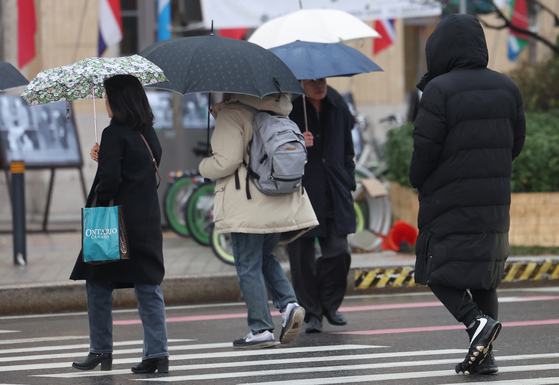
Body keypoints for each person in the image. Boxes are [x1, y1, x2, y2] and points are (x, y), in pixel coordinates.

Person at [408, 14, 526, 375]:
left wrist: (418, 180)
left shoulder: (440, 90)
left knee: (434, 267)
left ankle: (475, 323)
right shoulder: (507, 87)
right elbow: (516, 142)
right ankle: (485, 356)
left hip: (449, 198)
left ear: (439, 49)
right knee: (484, 275)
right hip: (493, 200)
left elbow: (424, 150)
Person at [198, 92, 318, 349]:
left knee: (247, 263)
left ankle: (260, 328)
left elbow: (226, 161)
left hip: (247, 202)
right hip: (278, 198)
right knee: (265, 257)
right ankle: (289, 304)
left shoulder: (232, 114)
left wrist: (204, 166)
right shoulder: (279, 110)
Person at [70, 75, 169, 374]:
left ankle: (100, 350)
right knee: (148, 286)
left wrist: (104, 163)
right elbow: (148, 163)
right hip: (147, 222)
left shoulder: (114, 133)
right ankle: (157, 354)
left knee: (98, 283)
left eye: (107, 95)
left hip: (115, 222)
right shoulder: (146, 131)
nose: (104, 101)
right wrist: (109, 157)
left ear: (118, 99)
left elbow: (110, 180)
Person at [286, 79, 356, 333]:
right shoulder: (289, 109)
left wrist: (348, 177)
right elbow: (275, 151)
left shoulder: (337, 105)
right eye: (313, 81)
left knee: (339, 251)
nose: (320, 85)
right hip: (301, 192)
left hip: (334, 189)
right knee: (301, 258)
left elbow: (348, 150)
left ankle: (330, 305)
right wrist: (296, 143)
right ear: (301, 82)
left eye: (323, 80)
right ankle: (312, 313)